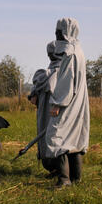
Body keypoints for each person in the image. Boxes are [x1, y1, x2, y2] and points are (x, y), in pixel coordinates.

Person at [44, 17, 90, 188]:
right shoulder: (78, 50)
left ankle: (64, 180)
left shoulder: (70, 53)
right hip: (77, 101)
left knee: (57, 136)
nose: (57, 36)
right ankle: (76, 178)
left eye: (59, 32)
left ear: (66, 32)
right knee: (74, 137)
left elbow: (66, 82)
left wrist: (57, 103)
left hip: (67, 102)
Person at [28, 41, 62, 177]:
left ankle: (56, 169)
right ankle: (57, 169)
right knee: (54, 137)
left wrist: (33, 93)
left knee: (51, 136)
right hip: (52, 111)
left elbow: (35, 93)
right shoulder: (61, 73)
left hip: (49, 112)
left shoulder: (44, 75)